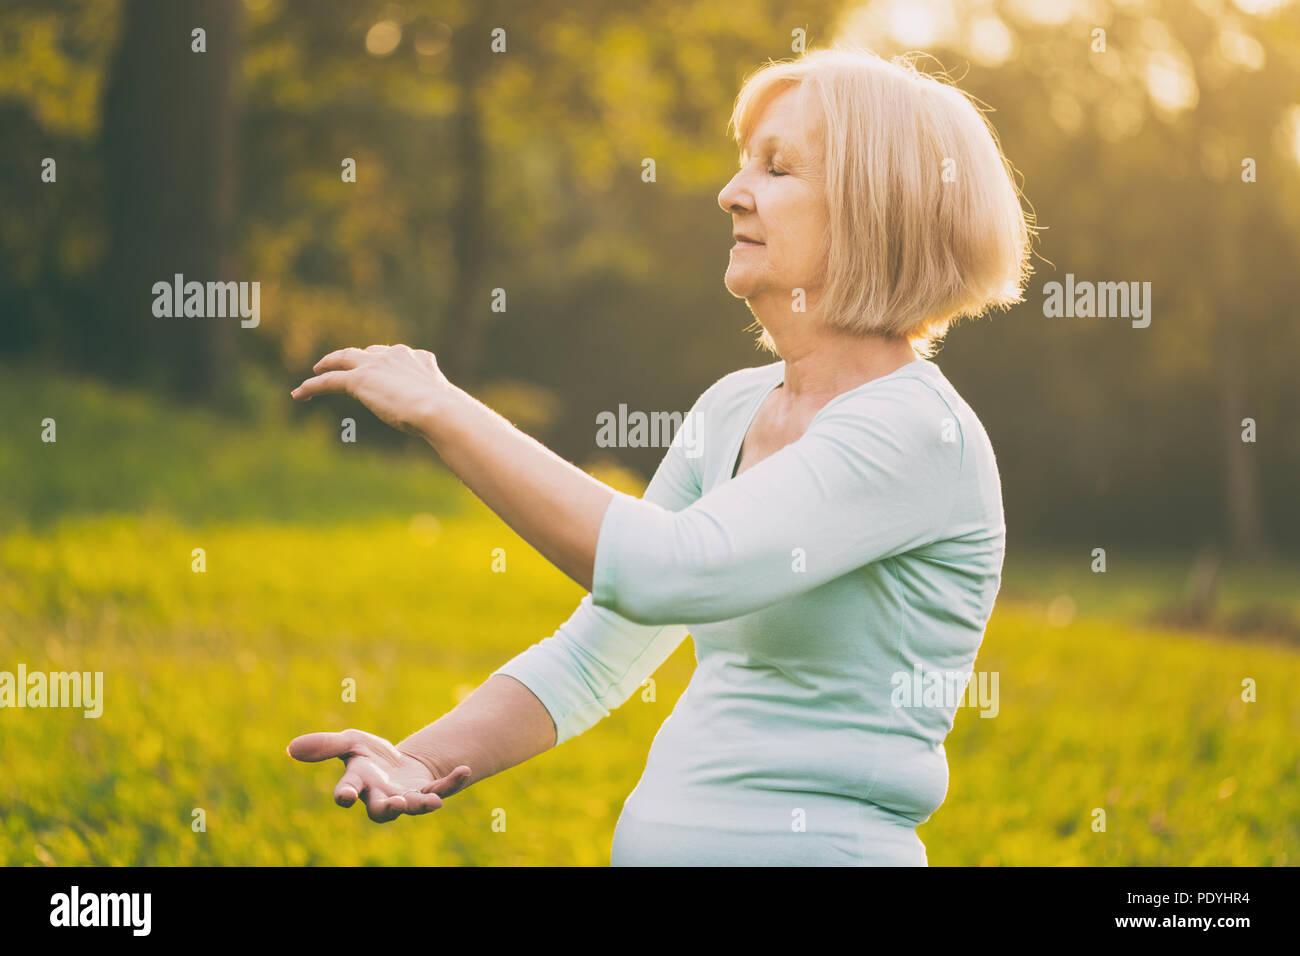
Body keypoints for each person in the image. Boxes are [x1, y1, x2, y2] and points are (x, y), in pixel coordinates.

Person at [287, 44, 1033, 865]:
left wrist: (445, 413)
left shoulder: (915, 431)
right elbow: (599, 648)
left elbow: (669, 569)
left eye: (778, 169)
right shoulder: (733, 408)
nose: (731, 191)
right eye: (744, 162)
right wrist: (420, 756)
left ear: (875, 210)